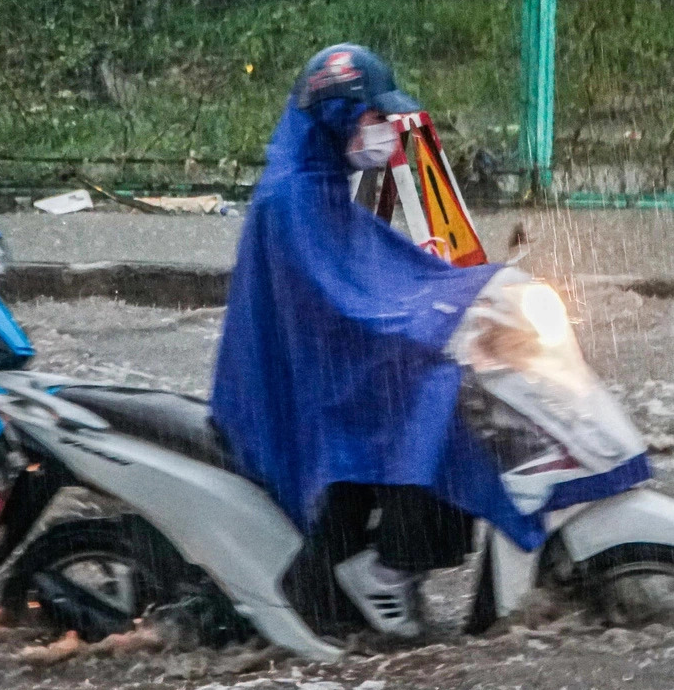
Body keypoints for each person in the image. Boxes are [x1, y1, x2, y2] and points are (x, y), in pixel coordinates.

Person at [209, 44, 515, 638]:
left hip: (322, 375)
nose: (384, 134)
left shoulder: (319, 185)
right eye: (373, 120)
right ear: (335, 116)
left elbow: (377, 277)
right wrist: (436, 318)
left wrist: (465, 292)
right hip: (296, 393)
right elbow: (341, 302)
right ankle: (384, 569)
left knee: (448, 397)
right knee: (440, 411)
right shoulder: (293, 199)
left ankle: (388, 568)